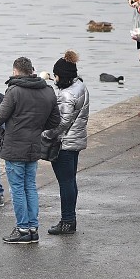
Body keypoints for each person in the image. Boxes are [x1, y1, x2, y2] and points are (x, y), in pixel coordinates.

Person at [0, 57, 61, 243]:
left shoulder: (14, 91)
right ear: (32, 70)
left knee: (18, 188)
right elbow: (55, 121)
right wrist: (35, 128)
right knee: (30, 187)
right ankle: (33, 229)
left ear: (16, 71)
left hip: (14, 147)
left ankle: (22, 230)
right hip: (34, 145)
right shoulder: (48, 91)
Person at [43, 50, 90, 235]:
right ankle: (70, 219)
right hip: (75, 141)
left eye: (55, 76)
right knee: (70, 181)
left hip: (64, 144)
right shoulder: (80, 86)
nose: (54, 79)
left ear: (61, 76)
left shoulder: (66, 95)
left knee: (65, 183)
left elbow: (61, 123)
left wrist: (45, 135)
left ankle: (67, 221)